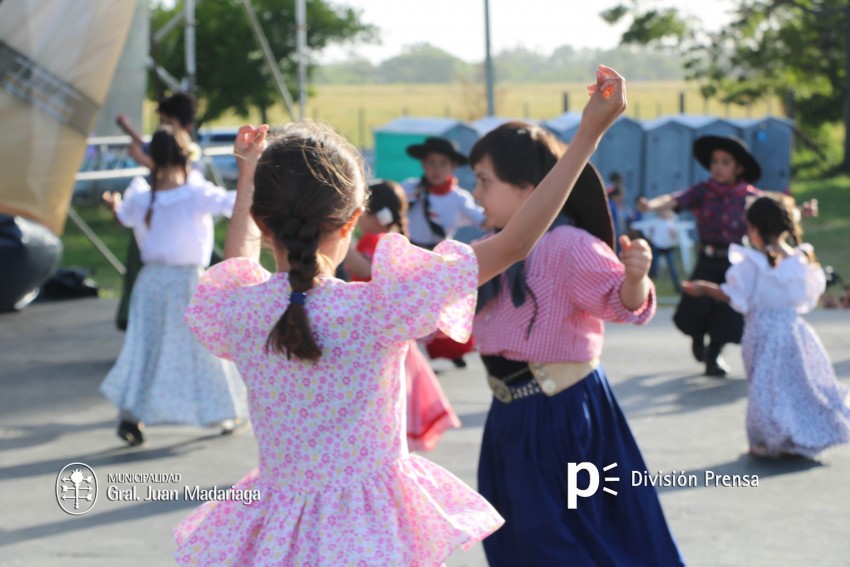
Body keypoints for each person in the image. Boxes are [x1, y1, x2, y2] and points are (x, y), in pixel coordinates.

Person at [172, 65, 628, 566]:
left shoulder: (241, 308)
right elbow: (515, 243)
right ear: (351, 221)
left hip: (279, 532)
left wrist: (248, 176)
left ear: (262, 220)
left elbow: (236, 263)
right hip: (369, 537)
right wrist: (587, 136)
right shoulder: (378, 310)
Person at [468, 121, 684, 567]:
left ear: (529, 189)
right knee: (515, 530)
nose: (475, 193)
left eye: (485, 181)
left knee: (563, 535)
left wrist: (636, 279)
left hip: (562, 416)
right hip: (509, 416)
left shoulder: (569, 245)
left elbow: (622, 305)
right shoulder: (488, 249)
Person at [99, 126, 248, 446]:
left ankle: (131, 415)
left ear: (152, 158)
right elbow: (232, 202)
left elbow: (125, 217)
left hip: (151, 283)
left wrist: (114, 206)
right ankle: (226, 411)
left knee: (145, 349)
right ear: (185, 155)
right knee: (206, 348)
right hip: (188, 281)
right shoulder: (196, 193)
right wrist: (251, 172)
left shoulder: (141, 195)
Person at [682, 194, 850, 458]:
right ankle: (796, 434)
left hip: (762, 333)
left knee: (765, 388)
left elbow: (734, 294)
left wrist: (704, 288)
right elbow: (808, 294)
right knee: (795, 386)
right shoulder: (800, 260)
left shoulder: (753, 264)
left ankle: (766, 440)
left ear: (754, 228)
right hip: (795, 332)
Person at [637, 135, 816, 377]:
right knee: (697, 304)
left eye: (725, 162)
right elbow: (673, 200)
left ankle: (714, 354)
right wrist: (650, 206)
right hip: (707, 257)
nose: (718, 167)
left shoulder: (748, 194)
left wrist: (801, 211)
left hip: (735, 261)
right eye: (714, 162)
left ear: (738, 168)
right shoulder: (703, 190)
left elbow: (775, 211)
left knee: (729, 311)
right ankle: (698, 338)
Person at [344, 180, 461, 452]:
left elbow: (365, 269)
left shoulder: (379, 242)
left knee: (383, 405)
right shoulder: (392, 242)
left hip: (378, 338)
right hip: (387, 335)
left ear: (379, 215)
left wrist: (343, 240)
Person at [113, 92, 204, 332]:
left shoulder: (190, 158)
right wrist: (128, 128)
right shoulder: (144, 191)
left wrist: (143, 160)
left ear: (186, 127)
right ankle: (132, 320)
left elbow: (172, 174)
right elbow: (149, 148)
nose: (163, 128)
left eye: (169, 122)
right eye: (161, 122)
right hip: (154, 233)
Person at [403, 136, 486, 368]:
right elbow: (391, 203)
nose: (436, 169)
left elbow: (481, 219)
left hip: (440, 258)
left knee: (443, 310)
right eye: (431, 163)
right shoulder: (409, 189)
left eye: (442, 163)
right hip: (411, 256)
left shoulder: (458, 198)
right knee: (411, 309)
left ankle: (453, 351)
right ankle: (411, 357)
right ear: (423, 164)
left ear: (452, 167)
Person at [644, 208, 683, 293]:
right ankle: (645, 287)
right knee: (653, 267)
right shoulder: (655, 222)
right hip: (657, 247)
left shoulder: (671, 222)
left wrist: (673, 233)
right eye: (662, 212)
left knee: (672, 268)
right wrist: (650, 238)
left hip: (668, 247)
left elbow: (674, 235)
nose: (664, 214)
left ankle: (678, 288)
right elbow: (647, 229)